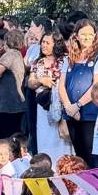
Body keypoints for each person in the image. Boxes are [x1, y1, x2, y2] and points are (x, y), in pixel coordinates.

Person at [59, 20, 98, 161]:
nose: (87, 37)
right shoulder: (69, 58)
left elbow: (97, 85)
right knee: (79, 155)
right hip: (71, 113)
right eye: (83, 34)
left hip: (90, 114)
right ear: (76, 35)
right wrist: (69, 106)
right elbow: (61, 85)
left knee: (92, 154)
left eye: (90, 34)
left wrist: (78, 105)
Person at [28, 30, 73, 163]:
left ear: (56, 44)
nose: (44, 45)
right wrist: (40, 81)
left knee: (61, 139)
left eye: (48, 42)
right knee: (45, 136)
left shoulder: (66, 60)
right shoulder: (38, 62)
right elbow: (31, 82)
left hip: (61, 104)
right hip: (43, 105)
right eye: (43, 42)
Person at [0, 29, 27, 139]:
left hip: (7, 104)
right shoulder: (18, 55)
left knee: (5, 138)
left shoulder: (10, 54)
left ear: (6, 41)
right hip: (17, 103)